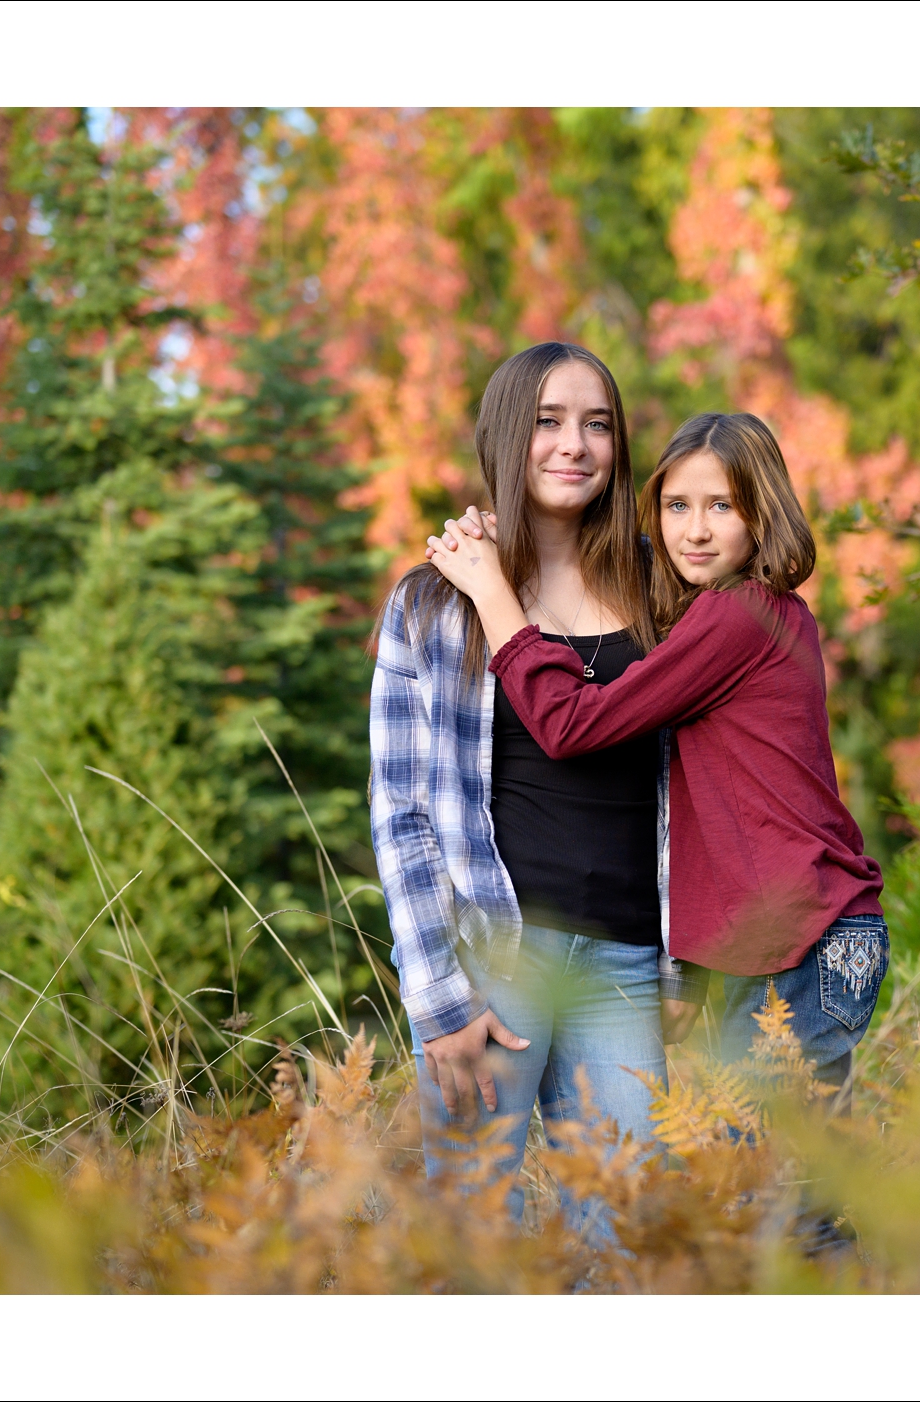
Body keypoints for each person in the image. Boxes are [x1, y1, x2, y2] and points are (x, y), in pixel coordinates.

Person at [426, 411, 888, 1097]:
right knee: (774, 1185)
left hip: (802, 945)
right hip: (796, 938)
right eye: (677, 505)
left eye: (721, 507)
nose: (694, 530)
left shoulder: (739, 613)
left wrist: (496, 592)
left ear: (763, 517)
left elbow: (571, 726)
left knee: (771, 1189)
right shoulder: (764, 613)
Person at [369, 343, 706, 1234]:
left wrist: (683, 958)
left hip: (627, 961)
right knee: (475, 1239)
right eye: (550, 422)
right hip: (493, 958)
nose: (575, 444)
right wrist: (438, 998)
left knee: (635, 1238)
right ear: (507, 436)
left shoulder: (665, 590)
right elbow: (401, 816)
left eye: (598, 424)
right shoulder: (433, 607)